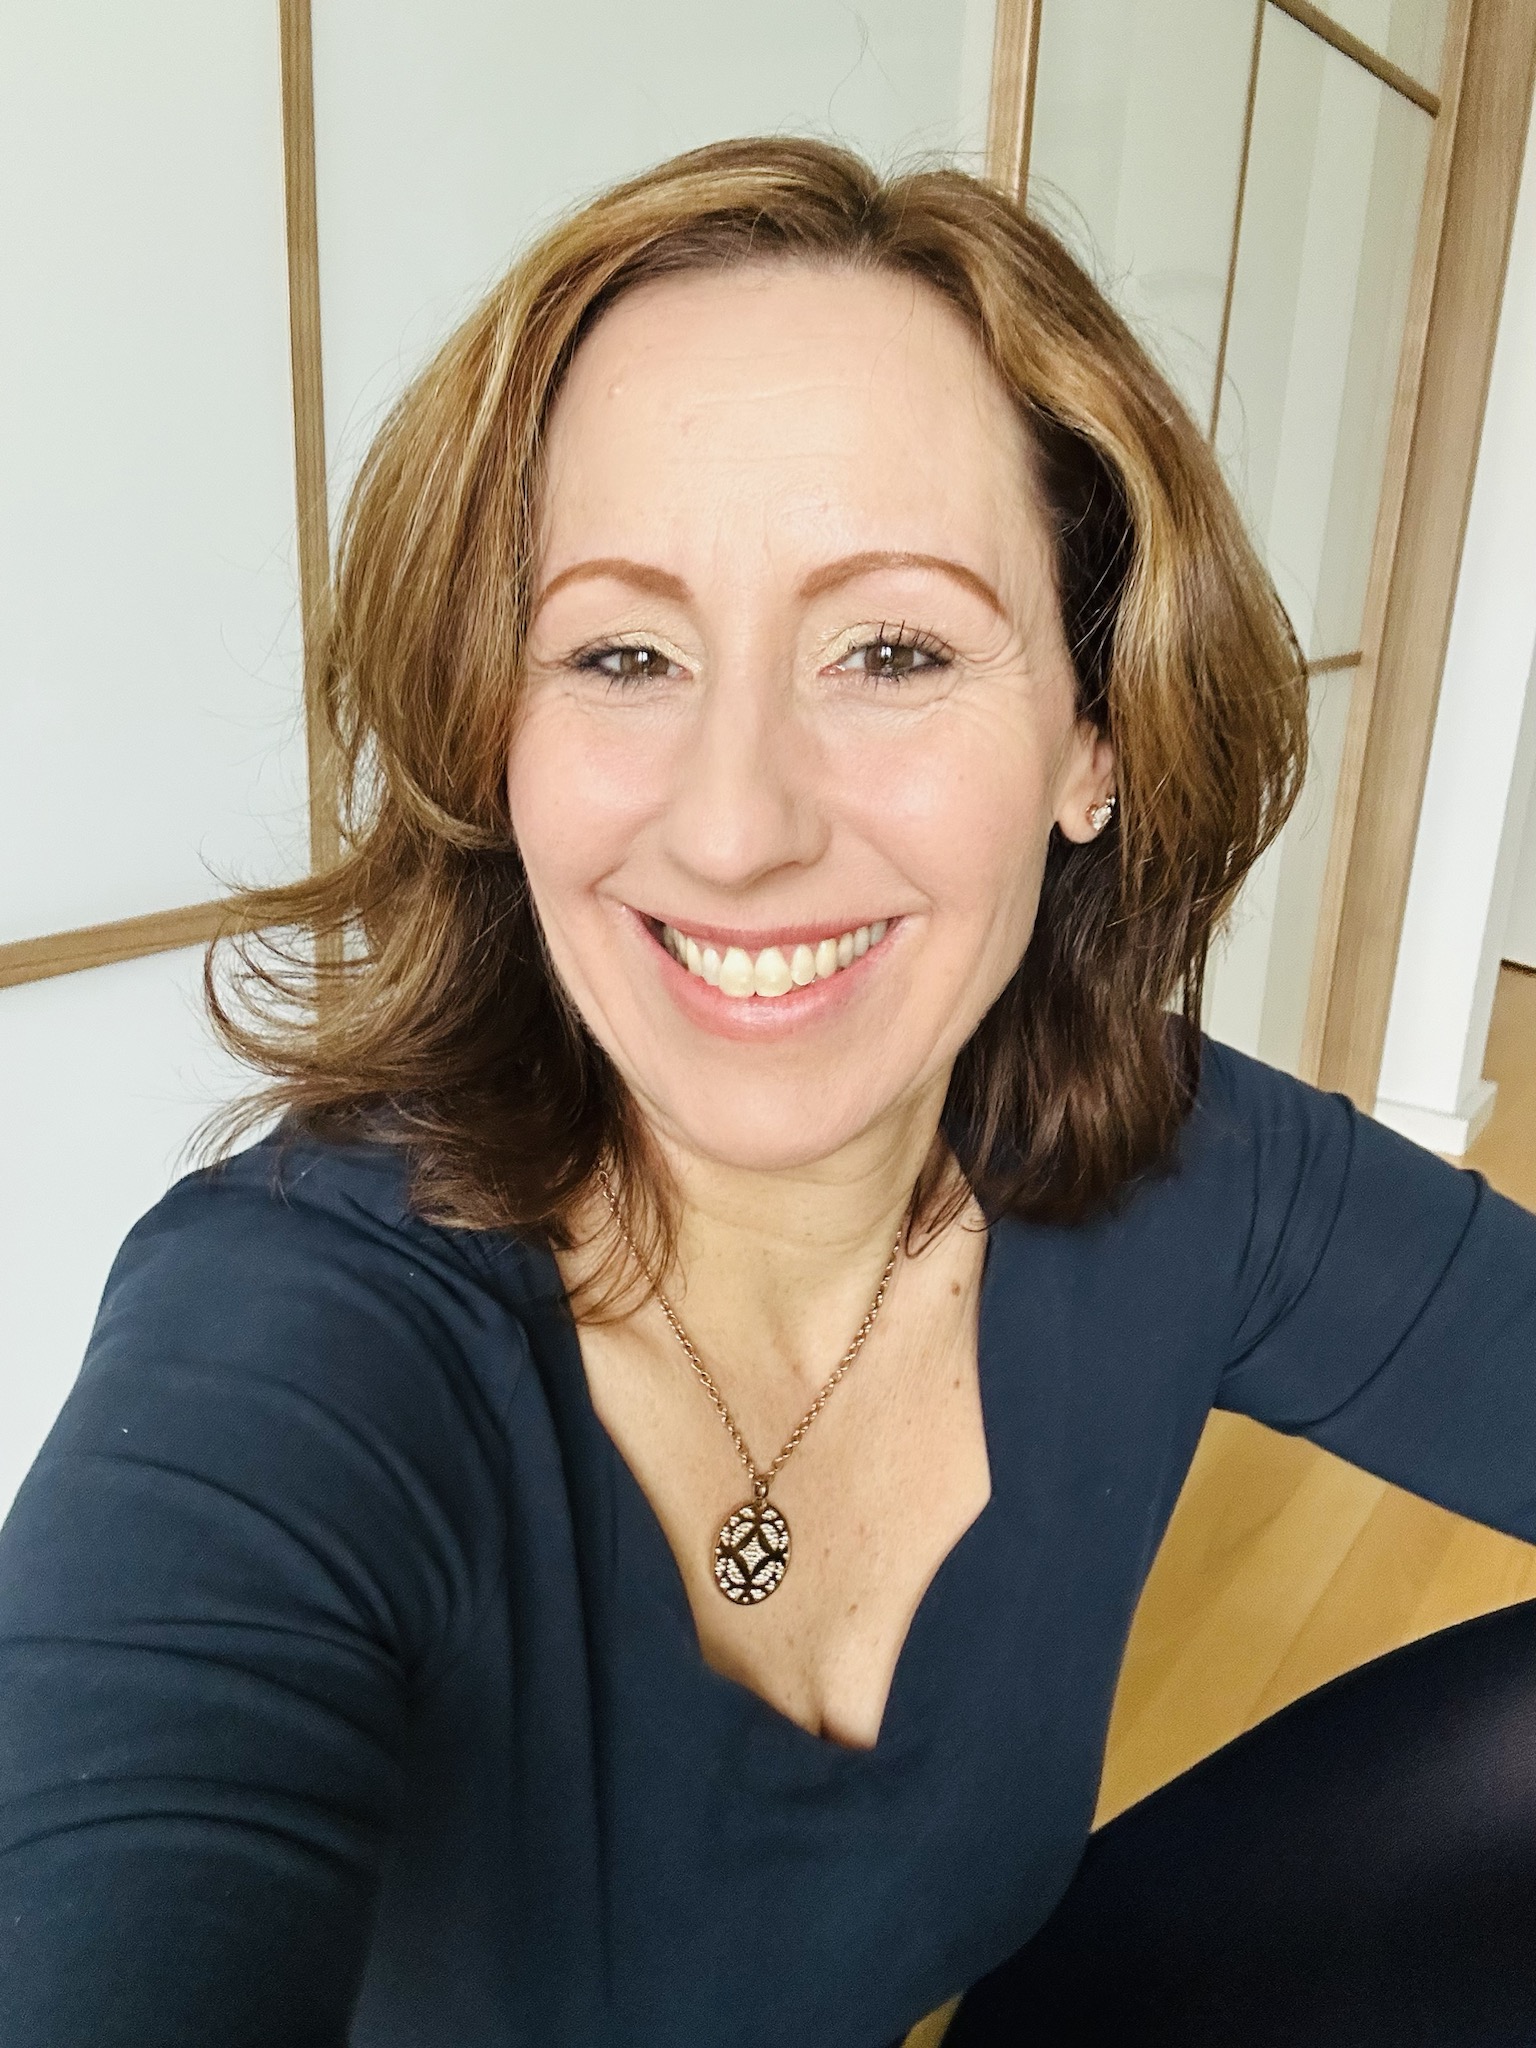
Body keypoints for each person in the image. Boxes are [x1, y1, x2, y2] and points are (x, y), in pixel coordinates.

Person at [1, 135, 1533, 2048]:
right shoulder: (293, 1335)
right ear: (497, 730)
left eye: (890, 649)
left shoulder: (1180, 1161)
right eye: (622, 652)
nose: (734, 829)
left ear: (1096, 735)